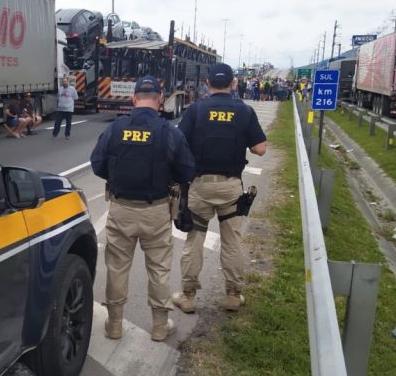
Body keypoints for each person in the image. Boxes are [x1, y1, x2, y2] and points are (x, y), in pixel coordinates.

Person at [90, 75, 195, 342]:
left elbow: (98, 165)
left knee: (116, 267)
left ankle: (114, 324)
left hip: (121, 208)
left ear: (133, 99)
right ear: (160, 100)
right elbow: (186, 171)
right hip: (157, 210)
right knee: (159, 268)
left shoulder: (115, 129)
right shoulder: (170, 132)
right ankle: (160, 326)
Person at [172, 63, 267, 313]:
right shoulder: (244, 112)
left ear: (208, 83)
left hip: (201, 186)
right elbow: (260, 148)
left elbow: (178, 144)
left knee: (194, 240)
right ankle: (233, 296)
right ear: (233, 83)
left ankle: (188, 296)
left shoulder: (196, 110)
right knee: (232, 242)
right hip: (230, 188)